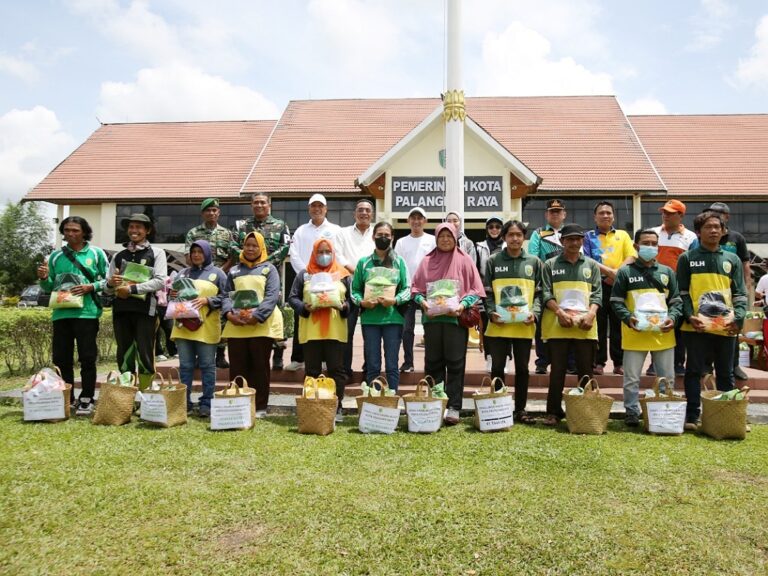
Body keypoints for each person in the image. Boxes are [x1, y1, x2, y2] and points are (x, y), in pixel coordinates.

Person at [678, 211, 747, 431]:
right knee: (693, 371)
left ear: (724, 231)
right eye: (708, 227)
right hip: (695, 326)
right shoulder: (687, 258)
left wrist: (738, 317)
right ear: (698, 232)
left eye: (718, 227)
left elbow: (740, 294)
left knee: (725, 373)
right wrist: (689, 316)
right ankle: (692, 416)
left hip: (725, 326)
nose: (714, 230)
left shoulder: (732, 259)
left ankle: (727, 416)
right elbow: (681, 293)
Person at [411, 223, 485, 426]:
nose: (445, 239)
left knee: (455, 363)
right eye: (441, 236)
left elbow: (475, 290)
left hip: (455, 321)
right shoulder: (427, 261)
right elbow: (415, 290)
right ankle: (436, 403)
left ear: (455, 238)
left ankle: (453, 406)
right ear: (436, 239)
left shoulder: (465, 260)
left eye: (449, 236)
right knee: (433, 362)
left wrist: (462, 305)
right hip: (433, 321)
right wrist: (424, 303)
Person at [37, 216, 109, 416]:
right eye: (67, 230)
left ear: (84, 232)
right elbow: (49, 286)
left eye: (75, 230)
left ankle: (87, 398)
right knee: (61, 359)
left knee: (87, 358)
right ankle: (66, 398)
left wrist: (90, 287)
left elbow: (108, 280)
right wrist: (43, 278)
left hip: (87, 313)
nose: (70, 233)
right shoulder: (55, 256)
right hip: (61, 313)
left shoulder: (96, 253)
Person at [610, 229, 683, 427]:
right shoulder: (625, 272)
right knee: (631, 378)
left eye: (653, 243)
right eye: (645, 243)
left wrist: (673, 318)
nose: (650, 247)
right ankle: (632, 412)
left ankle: (664, 412)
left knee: (667, 379)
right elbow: (616, 301)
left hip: (663, 335)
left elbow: (676, 301)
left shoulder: (667, 272)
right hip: (635, 333)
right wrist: (628, 318)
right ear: (636, 246)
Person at [540, 223, 601, 427]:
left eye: (578, 239)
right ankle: (553, 412)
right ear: (562, 241)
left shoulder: (591, 265)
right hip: (558, 325)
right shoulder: (550, 265)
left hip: (585, 326)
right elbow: (545, 293)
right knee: (557, 371)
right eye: (570, 239)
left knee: (586, 371)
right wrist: (559, 313)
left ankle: (586, 411)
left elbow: (597, 294)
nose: (574, 243)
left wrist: (591, 314)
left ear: (582, 241)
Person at [483, 220, 541, 424]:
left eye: (519, 235)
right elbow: (487, 292)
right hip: (499, 325)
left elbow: (540, 293)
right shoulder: (493, 260)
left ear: (524, 237)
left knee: (523, 369)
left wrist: (535, 313)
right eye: (511, 235)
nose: (515, 238)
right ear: (504, 237)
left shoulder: (534, 262)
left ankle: (520, 409)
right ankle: (498, 406)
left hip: (524, 326)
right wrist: (491, 312)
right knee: (498, 368)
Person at [288, 238, 351, 423]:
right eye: (320, 252)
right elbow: (293, 298)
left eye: (327, 252)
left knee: (336, 370)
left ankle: (337, 407)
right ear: (314, 254)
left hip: (335, 330)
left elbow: (352, 300)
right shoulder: (304, 274)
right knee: (312, 371)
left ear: (333, 253)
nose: (324, 255)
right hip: (311, 330)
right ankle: (312, 406)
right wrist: (304, 307)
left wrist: (344, 306)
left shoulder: (342, 274)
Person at [221, 232, 283, 418]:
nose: (250, 249)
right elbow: (226, 295)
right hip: (237, 326)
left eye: (254, 246)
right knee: (237, 367)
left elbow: (272, 295)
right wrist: (229, 314)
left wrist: (257, 316)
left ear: (261, 248)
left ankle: (260, 407)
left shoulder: (269, 269)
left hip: (261, 325)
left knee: (260, 367)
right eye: (247, 245)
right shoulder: (234, 271)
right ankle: (238, 404)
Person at [104, 213, 168, 390]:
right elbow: (107, 287)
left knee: (145, 352)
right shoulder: (118, 255)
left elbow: (160, 281)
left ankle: (145, 394)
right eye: (131, 227)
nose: (134, 230)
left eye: (139, 227)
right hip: (121, 311)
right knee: (124, 352)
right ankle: (127, 395)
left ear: (147, 231)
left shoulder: (157, 253)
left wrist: (132, 289)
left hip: (146, 311)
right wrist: (111, 284)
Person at [692, 202, 752, 381]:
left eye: (718, 213)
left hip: (730, 292)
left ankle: (734, 365)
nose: (714, 217)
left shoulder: (736, 238)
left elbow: (745, 262)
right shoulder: (701, 238)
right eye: (711, 213)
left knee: (731, 328)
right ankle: (706, 365)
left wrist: (746, 285)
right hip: (706, 292)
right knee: (708, 327)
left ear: (727, 216)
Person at [233, 192, 291, 370]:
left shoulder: (280, 225)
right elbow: (233, 246)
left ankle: (278, 354)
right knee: (245, 307)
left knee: (275, 311)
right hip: (245, 275)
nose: (259, 205)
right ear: (251, 205)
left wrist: (264, 262)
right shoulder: (242, 226)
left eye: (263, 202)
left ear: (269, 205)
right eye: (256, 202)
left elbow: (285, 247)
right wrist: (248, 259)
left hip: (270, 274)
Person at [351, 222, 410, 392]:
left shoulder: (399, 262)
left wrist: (395, 300)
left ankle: (392, 398)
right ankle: (374, 400)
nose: (383, 238)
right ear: (373, 237)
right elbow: (354, 290)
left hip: (393, 319)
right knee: (373, 365)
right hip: (370, 320)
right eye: (379, 235)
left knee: (392, 364)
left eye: (386, 235)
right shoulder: (364, 263)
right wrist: (362, 302)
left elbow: (407, 289)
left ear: (392, 238)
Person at [170, 240, 227, 417]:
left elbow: (227, 297)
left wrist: (208, 300)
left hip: (206, 327)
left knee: (207, 366)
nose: (196, 255)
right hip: (183, 327)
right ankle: (184, 402)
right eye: (193, 252)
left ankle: (207, 403)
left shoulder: (218, 274)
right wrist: (172, 294)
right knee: (185, 366)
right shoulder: (182, 273)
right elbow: (173, 298)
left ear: (208, 253)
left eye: (200, 252)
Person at [286, 193, 342, 371]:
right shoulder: (301, 230)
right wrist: (306, 274)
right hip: (306, 280)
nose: (317, 209)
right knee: (302, 316)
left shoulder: (336, 230)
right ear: (309, 208)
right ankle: (298, 358)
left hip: (330, 281)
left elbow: (339, 254)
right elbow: (294, 254)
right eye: (313, 206)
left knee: (327, 318)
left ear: (326, 209)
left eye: (320, 206)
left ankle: (325, 359)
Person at [582, 201, 636, 376]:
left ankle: (619, 363)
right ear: (595, 217)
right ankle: (598, 362)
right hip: (597, 286)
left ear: (613, 216)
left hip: (619, 287)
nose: (605, 215)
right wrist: (610, 273)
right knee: (598, 325)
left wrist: (616, 275)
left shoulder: (623, 235)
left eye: (608, 213)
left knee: (618, 325)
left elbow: (631, 256)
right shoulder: (587, 237)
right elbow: (587, 259)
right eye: (601, 213)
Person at [185, 198, 234, 369]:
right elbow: (188, 257)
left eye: (214, 210)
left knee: (221, 315)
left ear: (218, 213)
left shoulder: (227, 233)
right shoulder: (193, 233)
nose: (211, 213)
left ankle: (220, 354)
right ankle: (200, 354)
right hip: (199, 279)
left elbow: (232, 258)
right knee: (199, 313)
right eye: (208, 210)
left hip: (221, 278)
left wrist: (218, 272)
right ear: (202, 213)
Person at [651, 199, 697, 376]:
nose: (665, 215)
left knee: (677, 326)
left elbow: (692, 264)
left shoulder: (690, 237)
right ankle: (653, 364)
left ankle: (678, 363)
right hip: (653, 287)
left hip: (677, 288)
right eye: (664, 212)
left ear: (681, 215)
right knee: (654, 322)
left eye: (670, 213)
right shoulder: (654, 232)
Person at [335, 199, 375, 377]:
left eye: (367, 210)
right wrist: (357, 273)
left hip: (372, 287)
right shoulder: (342, 233)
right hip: (348, 285)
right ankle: (345, 370)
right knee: (347, 331)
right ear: (354, 213)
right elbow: (338, 256)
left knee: (370, 333)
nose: (364, 213)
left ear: (372, 214)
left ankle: (369, 371)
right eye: (360, 210)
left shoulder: (377, 233)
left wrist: (367, 277)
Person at [528, 199, 567, 375]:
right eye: (552, 211)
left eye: (558, 211)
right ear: (546, 214)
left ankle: (569, 362)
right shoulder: (538, 233)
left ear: (564, 214)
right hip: (545, 284)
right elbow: (533, 258)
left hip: (567, 284)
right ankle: (542, 361)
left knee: (568, 318)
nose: (555, 214)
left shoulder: (570, 232)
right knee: (543, 324)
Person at [394, 207, 435, 373]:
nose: (416, 221)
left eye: (420, 218)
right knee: (407, 329)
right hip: (408, 291)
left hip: (428, 291)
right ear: (408, 221)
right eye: (413, 218)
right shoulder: (401, 242)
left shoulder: (432, 240)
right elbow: (397, 266)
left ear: (425, 221)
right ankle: (408, 362)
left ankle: (430, 364)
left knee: (429, 328)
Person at [476, 216, 506, 372]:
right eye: (491, 227)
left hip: (505, 293)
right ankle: (489, 357)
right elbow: (476, 270)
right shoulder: (479, 247)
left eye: (498, 226)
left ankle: (506, 358)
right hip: (485, 293)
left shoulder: (507, 245)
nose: (494, 229)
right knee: (487, 326)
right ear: (487, 229)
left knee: (505, 325)